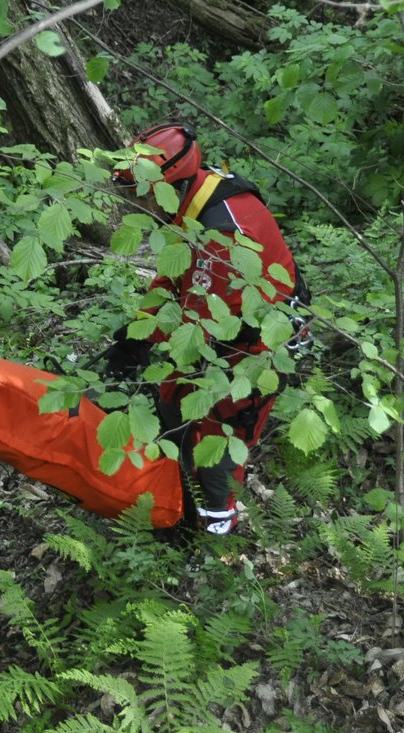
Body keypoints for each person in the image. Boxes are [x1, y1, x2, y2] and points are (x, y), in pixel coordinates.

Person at [106, 122, 312, 535]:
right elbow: (173, 280)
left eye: (138, 195)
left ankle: (214, 533)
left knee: (219, 443)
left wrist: (147, 342)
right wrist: (136, 332)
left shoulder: (220, 237)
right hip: (223, 332)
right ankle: (173, 498)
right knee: (171, 405)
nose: (135, 205)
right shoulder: (201, 198)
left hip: (257, 352)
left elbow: (199, 322)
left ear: (167, 185)